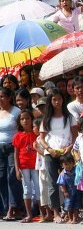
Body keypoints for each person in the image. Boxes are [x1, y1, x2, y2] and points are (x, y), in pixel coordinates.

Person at [39, 88, 78, 224]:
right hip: (50, 153)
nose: (57, 102)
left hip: (66, 154)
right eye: (54, 99)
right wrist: (49, 148)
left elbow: (75, 135)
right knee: (52, 183)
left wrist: (69, 147)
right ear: (50, 101)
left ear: (63, 100)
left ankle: (70, 212)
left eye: (59, 99)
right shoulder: (46, 118)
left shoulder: (69, 117)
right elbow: (42, 139)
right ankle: (56, 212)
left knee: (70, 182)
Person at [0, 87, 23, 221]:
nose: (0, 99)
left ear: (9, 97)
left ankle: (13, 208)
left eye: (2, 96)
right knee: (1, 177)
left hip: (12, 147)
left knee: (12, 177)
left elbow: (22, 129)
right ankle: (4, 207)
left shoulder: (16, 111)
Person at [12, 109, 38, 223]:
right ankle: (29, 215)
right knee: (27, 189)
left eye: (27, 118)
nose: (25, 121)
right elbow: (16, 154)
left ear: (32, 119)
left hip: (36, 166)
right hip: (23, 166)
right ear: (19, 121)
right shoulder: (17, 136)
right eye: (22, 119)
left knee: (38, 188)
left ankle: (42, 213)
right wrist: (17, 169)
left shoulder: (36, 134)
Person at [32, 117, 52, 223]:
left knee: (49, 189)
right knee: (43, 191)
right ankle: (48, 214)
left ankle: (55, 213)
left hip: (46, 166)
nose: (33, 128)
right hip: (41, 167)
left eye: (34, 126)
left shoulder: (45, 138)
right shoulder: (37, 139)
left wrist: (36, 149)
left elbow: (45, 153)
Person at [57, 153, 82, 224]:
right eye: (66, 164)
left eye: (70, 163)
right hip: (68, 193)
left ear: (73, 163)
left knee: (76, 206)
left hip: (77, 191)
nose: (68, 166)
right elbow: (62, 184)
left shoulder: (76, 170)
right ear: (62, 165)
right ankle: (70, 218)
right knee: (69, 206)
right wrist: (65, 191)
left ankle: (75, 218)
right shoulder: (62, 174)